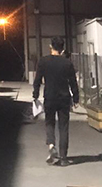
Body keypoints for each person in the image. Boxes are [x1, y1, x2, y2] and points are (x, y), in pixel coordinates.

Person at [32, 37, 79, 166]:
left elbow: (37, 80)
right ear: (63, 49)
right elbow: (73, 82)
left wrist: (35, 95)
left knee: (49, 123)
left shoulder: (43, 61)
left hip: (50, 97)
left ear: (50, 46)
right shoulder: (67, 63)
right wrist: (76, 98)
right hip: (64, 98)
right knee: (63, 127)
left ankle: (51, 145)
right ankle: (63, 158)